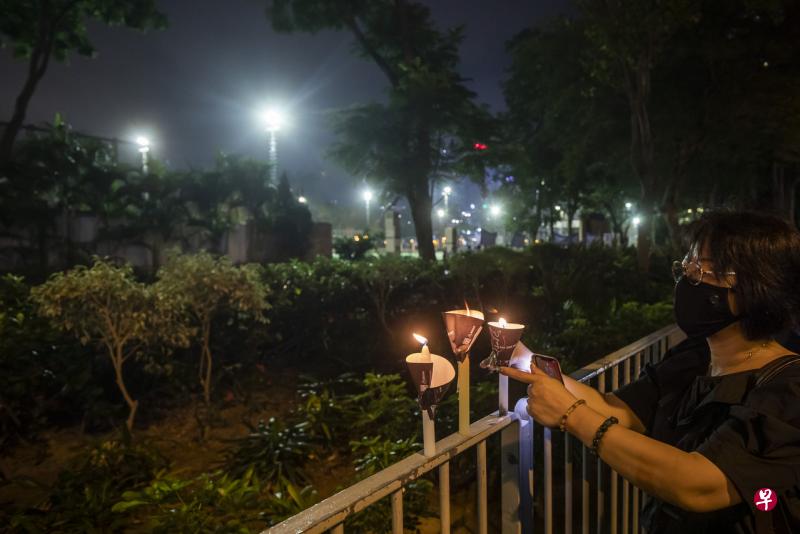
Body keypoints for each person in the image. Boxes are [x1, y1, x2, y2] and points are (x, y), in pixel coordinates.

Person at [501, 211, 800, 533]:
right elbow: (618, 410)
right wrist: (521, 356)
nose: (687, 277)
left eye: (702, 269)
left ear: (755, 287)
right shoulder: (695, 357)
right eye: (687, 265)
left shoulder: (788, 391)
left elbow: (698, 484)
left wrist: (571, 416)